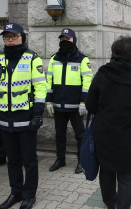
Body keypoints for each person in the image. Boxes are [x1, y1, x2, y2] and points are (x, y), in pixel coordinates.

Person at [85, 35, 131, 209]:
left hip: (105, 132)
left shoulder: (103, 72)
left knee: (107, 171)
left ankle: (110, 204)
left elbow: (90, 105)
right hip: (129, 134)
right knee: (126, 175)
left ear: (113, 52)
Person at [0, 22, 46, 209]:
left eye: (14, 36)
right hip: (5, 120)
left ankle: (29, 195)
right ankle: (16, 192)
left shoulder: (32, 59)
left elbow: (40, 88)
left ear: (22, 38)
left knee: (29, 160)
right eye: (7, 37)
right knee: (12, 160)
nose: (10, 40)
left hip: (26, 120)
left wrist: (38, 115)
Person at [46, 28, 92, 174]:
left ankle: (81, 161)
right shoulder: (54, 59)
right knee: (59, 134)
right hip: (58, 105)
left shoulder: (82, 59)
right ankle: (60, 159)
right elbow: (49, 81)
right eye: (63, 39)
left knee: (80, 135)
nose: (65, 42)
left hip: (76, 106)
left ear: (74, 40)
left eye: (68, 39)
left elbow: (87, 82)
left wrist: (84, 102)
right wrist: (48, 101)